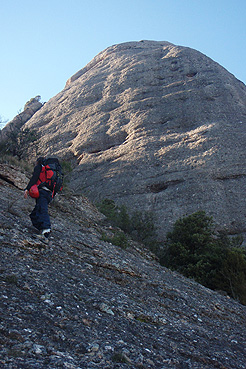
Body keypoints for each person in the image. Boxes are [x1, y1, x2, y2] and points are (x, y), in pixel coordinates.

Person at [24, 157, 53, 238]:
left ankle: (46, 229)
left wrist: (27, 189)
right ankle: (41, 228)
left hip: (42, 192)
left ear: (38, 162)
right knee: (34, 213)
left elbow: (34, 178)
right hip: (50, 193)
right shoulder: (48, 171)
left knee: (42, 209)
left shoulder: (39, 167)